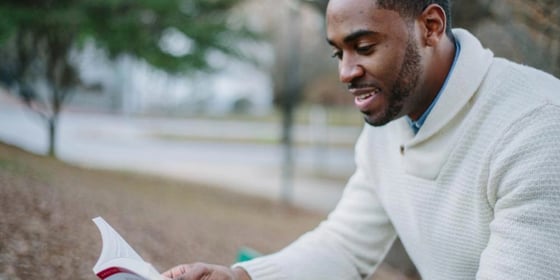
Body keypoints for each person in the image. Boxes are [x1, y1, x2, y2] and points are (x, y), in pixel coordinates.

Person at [164, 0, 560, 279]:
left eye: (364, 47)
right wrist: (240, 277)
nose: (346, 73)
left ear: (431, 27)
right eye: (339, 54)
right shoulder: (391, 120)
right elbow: (345, 247)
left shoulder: (536, 126)